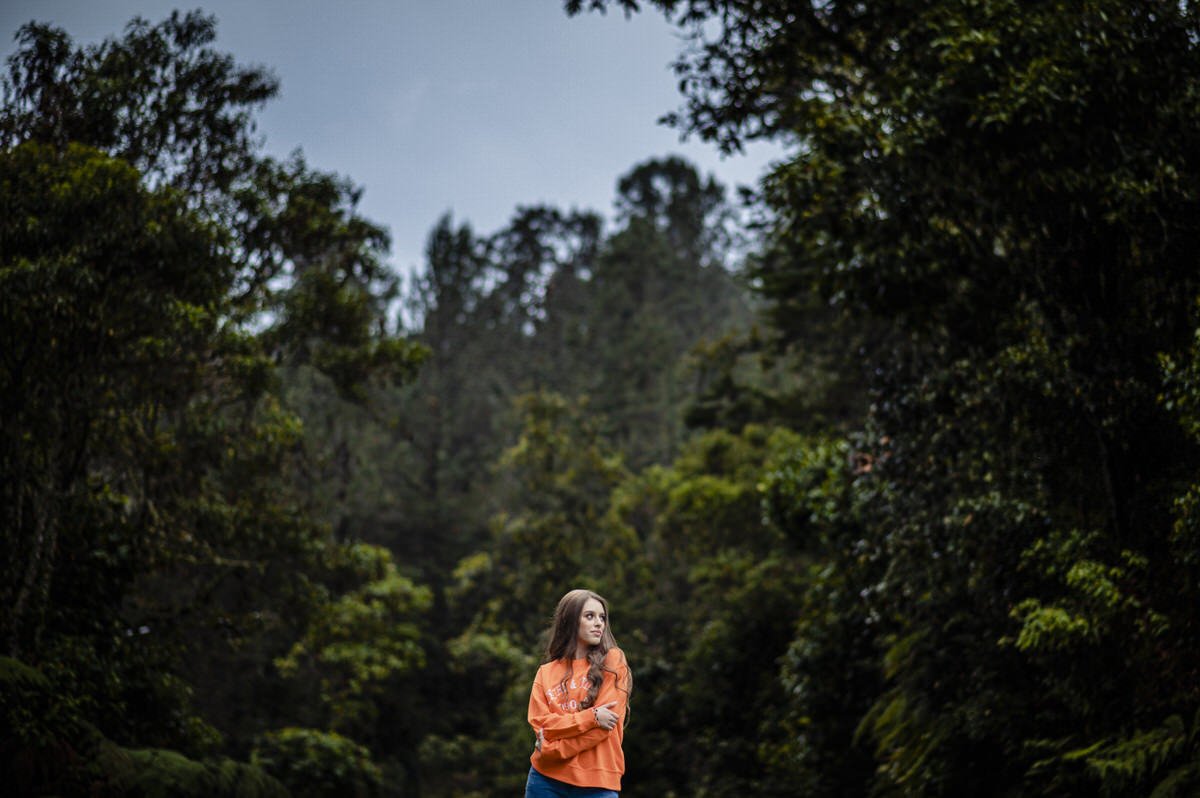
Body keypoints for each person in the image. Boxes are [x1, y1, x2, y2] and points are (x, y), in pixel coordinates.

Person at [525, 589, 632, 797]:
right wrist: (591, 717)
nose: (599, 623)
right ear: (570, 621)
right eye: (589, 616)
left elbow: (604, 728)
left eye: (602, 617)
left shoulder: (613, 662)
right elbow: (541, 724)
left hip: (597, 783)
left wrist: (551, 751)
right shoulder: (545, 673)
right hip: (545, 779)